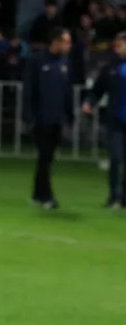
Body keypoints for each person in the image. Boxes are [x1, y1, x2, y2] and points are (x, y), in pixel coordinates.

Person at [22, 26, 73, 210]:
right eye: (66, 41)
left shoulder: (65, 62)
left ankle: (37, 193)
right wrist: (29, 116)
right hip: (41, 118)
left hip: (57, 119)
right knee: (45, 157)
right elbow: (29, 90)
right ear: (56, 41)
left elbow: (67, 91)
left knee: (47, 158)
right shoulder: (37, 61)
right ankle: (47, 196)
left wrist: (70, 115)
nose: (68, 45)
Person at [83, 31, 126, 209]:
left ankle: (124, 197)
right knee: (116, 159)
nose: (117, 47)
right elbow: (98, 90)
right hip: (116, 120)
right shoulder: (111, 67)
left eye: (121, 44)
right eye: (117, 44)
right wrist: (89, 102)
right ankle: (113, 195)